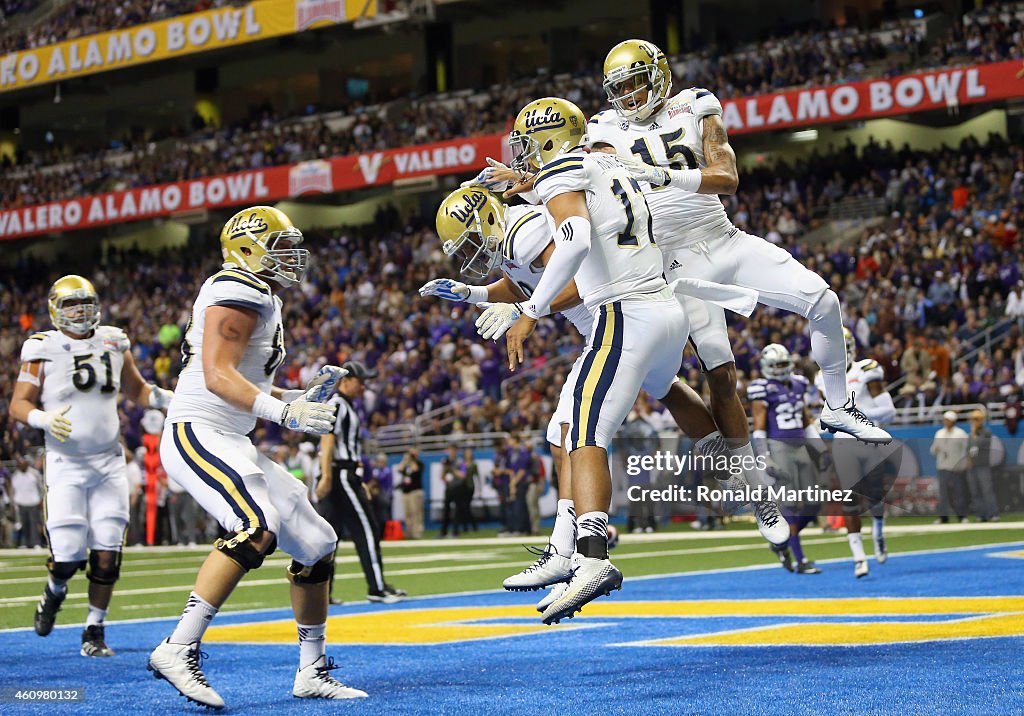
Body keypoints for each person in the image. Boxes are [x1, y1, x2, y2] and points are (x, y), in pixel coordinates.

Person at [589, 40, 890, 446]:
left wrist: (664, 176)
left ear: (659, 76)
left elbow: (727, 178)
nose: (628, 95)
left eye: (636, 83)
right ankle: (751, 483)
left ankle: (837, 405)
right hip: (676, 261)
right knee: (719, 372)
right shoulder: (604, 128)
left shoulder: (694, 103)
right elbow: (577, 178)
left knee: (823, 300)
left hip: (724, 238)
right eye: (619, 88)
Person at [148, 206, 366, 707]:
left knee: (317, 542)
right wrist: (284, 416)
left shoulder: (260, 292)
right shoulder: (236, 288)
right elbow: (218, 376)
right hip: (198, 431)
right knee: (255, 525)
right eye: (280, 246)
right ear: (246, 248)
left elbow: (243, 379)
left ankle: (312, 670)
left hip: (229, 435)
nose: (291, 257)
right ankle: (178, 647)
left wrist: (298, 397)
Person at [500, 96, 692, 624]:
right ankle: (735, 454)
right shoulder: (605, 157)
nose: (525, 156)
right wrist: (529, 184)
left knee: (584, 433)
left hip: (623, 310)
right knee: (657, 394)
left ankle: (590, 557)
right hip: (663, 305)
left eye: (528, 145)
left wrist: (531, 310)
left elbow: (578, 236)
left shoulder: (562, 169)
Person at [10, 274, 173, 657]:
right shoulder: (41, 346)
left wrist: (166, 399)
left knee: (107, 554)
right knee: (67, 557)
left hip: (108, 462)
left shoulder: (115, 340)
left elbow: (136, 389)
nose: (80, 310)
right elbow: (19, 403)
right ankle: (55, 590)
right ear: (55, 309)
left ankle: (94, 630)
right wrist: (43, 419)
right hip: (66, 462)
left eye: (86, 302)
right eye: (71, 304)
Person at [318, 360, 405, 604]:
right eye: (360, 380)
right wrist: (326, 475)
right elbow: (327, 440)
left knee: (328, 537)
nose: (363, 385)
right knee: (366, 530)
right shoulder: (338, 404)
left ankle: (323, 594)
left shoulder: (345, 406)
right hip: (341, 474)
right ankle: (376, 588)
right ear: (345, 381)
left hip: (344, 473)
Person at [820, 329, 898, 578]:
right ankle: (858, 557)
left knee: (875, 496)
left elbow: (889, 410)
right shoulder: (821, 379)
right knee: (849, 501)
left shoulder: (865, 370)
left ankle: (878, 531)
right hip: (843, 443)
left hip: (868, 439)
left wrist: (858, 414)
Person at [748, 345, 828, 575]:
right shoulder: (762, 389)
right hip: (778, 447)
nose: (781, 369)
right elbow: (760, 427)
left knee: (814, 503)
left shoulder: (799, 383)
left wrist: (820, 449)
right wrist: (764, 458)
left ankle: (781, 541)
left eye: (784, 364)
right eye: (777, 365)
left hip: (800, 445)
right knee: (789, 505)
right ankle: (800, 560)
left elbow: (805, 421)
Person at [931, 410, 970, 524]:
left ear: (953, 421)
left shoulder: (960, 433)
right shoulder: (939, 433)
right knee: (943, 494)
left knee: (959, 493)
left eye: (948, 419)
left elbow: (966, 450)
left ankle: (962, 516)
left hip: (956, 467)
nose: (946, 421)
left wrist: (964, 463)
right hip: (942, 466)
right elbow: (933, 449)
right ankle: (943, 517)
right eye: (945, 419)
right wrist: (936, 449)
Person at [967, 409, 999, 522]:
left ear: (981, 420)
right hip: (972, 466)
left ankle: (993, 513)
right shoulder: (971, 434)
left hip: (983, 465)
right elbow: (968, 449)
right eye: (973, 419)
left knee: (987, 490)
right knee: (975, 491)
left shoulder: (986, 432)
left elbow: (978, 444)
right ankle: (981, 514)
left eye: (976, 419)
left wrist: (974, 432)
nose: (974, 422)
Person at [10, 456, 43, 548]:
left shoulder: (34, 473)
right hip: (20, 503)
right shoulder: (15, 475)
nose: (21, 466)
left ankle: (36, 542)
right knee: (23, 524)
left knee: (34, 524)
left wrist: (41, 499)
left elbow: (41, 488)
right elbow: (12, 490)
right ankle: (25, 543)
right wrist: (13, 503)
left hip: (33, 502)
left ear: (27, 464)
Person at [396, 448, 424, 539]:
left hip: (415, 491)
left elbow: (415, 469)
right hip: (406, 492)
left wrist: (412, 459)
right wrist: (405, 460)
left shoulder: (419, 463)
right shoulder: (406, 465)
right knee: (407, 513)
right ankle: (409, 532)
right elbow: (399, 469)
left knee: (415, 512)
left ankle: (417, 533)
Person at [439, 444, 464, 537]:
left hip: (458, 487)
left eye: (453, 450)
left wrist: (452, 470)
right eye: (450, 450)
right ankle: (443, 532)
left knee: (457, 510)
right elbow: (441, 476)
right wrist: (445, 469)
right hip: (449, 488)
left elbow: (463, 475)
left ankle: (455, 532)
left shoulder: (460, 461)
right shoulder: (445, 461)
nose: (451, 452)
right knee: (446, 510)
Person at [459, 448, 479, 533]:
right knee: (464, 507)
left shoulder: (474, 465)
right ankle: (466, 526)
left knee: (467, 506)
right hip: (463, 487)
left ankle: (473, 526)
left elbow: (477, 476)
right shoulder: (462, 464)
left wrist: (479, 489)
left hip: (470, 487)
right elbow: (461, 475)